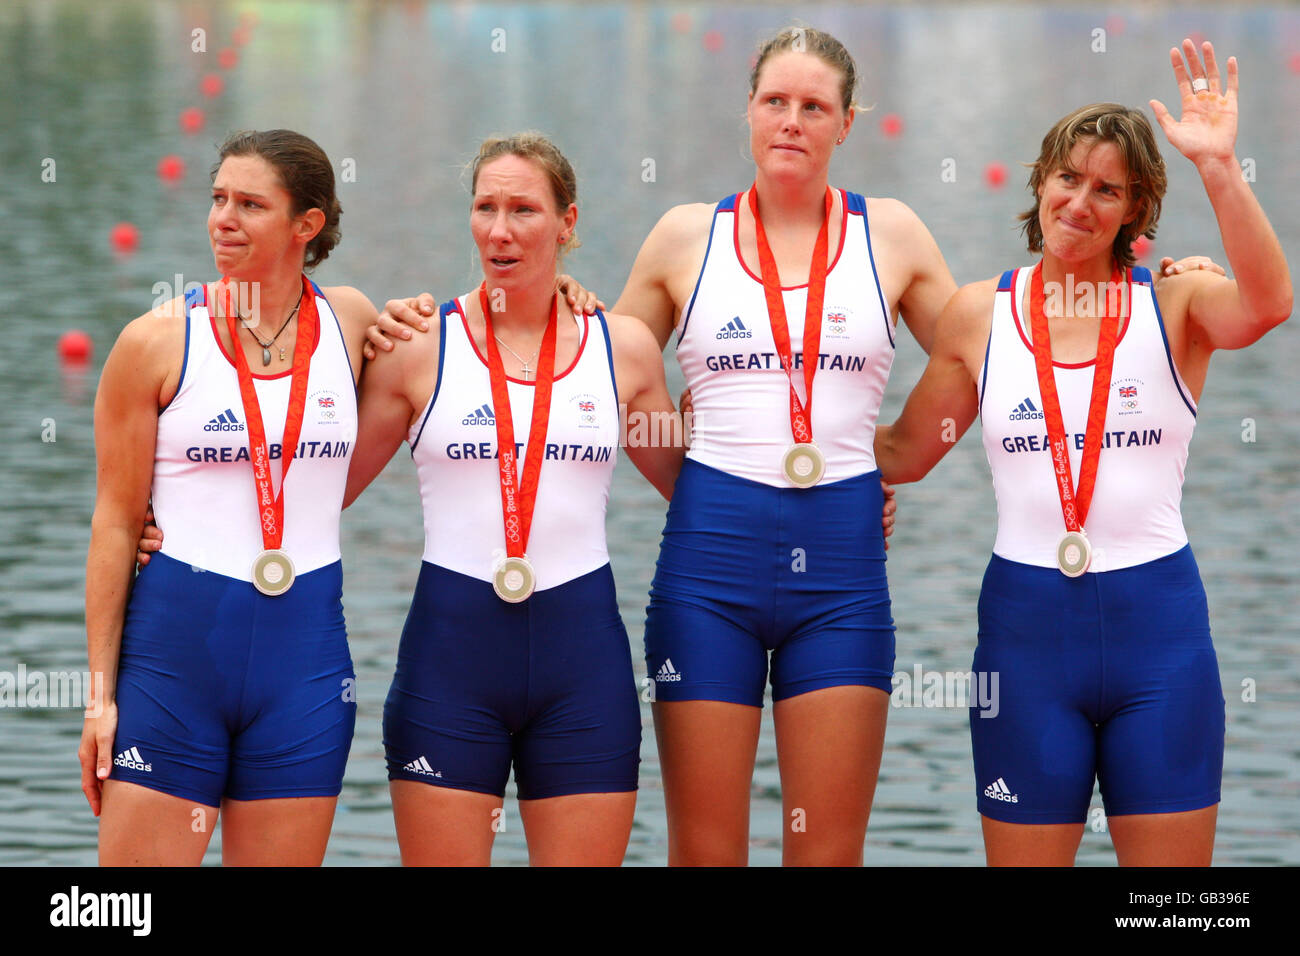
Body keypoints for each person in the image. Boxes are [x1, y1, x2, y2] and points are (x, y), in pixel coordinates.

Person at [369, 28, 1220, 867]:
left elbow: (999, 354)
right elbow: (595, 370)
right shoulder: (680, 237)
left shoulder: (891, 235)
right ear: (747, 110)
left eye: (814, 107)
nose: (791, 121)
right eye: (774, 101)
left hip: (843, 576)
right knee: (706, 853)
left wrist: (1142, 282)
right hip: (709, 569)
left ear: (847, 123)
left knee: (825, 852)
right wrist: (531, 285)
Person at [874, 40, 1291, 865]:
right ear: (1039, 182)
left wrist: (1218, 169)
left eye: (1109, 190)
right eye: (1069, 178)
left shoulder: (1178, 304)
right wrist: (771, 444)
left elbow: (1271, 304)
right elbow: (903, 453)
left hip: (1160, 642)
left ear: (1134, 212)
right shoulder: (978, 317)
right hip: (1026, 646)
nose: (1081, 202)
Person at [343, 132, 683, 865]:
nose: (499, 231)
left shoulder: (622, 349)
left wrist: (838, 500)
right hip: (450, 667)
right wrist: (159, 524)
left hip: (582, 672)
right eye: (485, 207)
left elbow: (692, 487)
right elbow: (317, 488)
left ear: (567, 224)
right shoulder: (415, 346)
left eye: (524, 210)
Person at [83, 129, 378, 865]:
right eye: (217, 198)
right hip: (173, 663)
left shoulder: (353, 321)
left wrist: (570, 290)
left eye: (251, 204)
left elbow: (488, 338)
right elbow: (116, 524)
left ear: (306, 225)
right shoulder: (154, 342)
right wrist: (98, 697)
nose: (223, 218)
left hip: (304, 669)